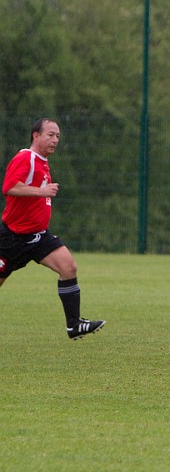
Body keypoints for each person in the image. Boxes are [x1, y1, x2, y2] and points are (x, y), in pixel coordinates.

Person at [1, 118, 106, 339]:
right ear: (35, 136)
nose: (55, 140)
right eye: (50, 134)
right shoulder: (26, 158)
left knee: (69, 267)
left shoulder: (42, 162)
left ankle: (74, 325)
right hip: (12, 238)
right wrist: (42, 191)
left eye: (57, 136)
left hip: (39, 236)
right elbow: (9, 187)